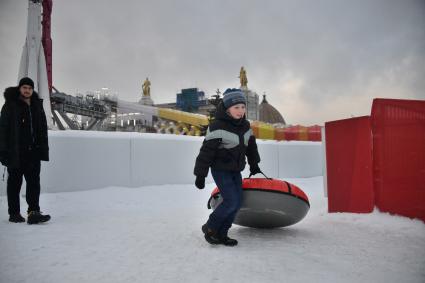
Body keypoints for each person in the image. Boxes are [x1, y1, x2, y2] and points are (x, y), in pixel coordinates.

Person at [194, 88, 261, 246]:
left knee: (237, 203)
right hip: (220, 169)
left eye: (242, 107)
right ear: (227, 108)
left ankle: (222, 233)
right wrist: (200, 175)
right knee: (231, 200)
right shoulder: (217, 126)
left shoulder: (245, 126)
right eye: (236, 107)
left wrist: (254, 164)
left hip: (235, 170)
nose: (240, 110)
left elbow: (251, 147)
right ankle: (210, 227)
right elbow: (206, 152)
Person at [0, 77, 51, 224]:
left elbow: (42, 130)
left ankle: (33, 212)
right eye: (24, 87)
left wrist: (42, 149)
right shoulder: (10, 105)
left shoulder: (37, 105)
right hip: (16, 153)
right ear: (20, 89)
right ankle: (14, 213)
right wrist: (3, 152)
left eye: (29, 88)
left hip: (33, 153)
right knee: (14, 184)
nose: (27, 90)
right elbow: (3, 130)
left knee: (34, 183)